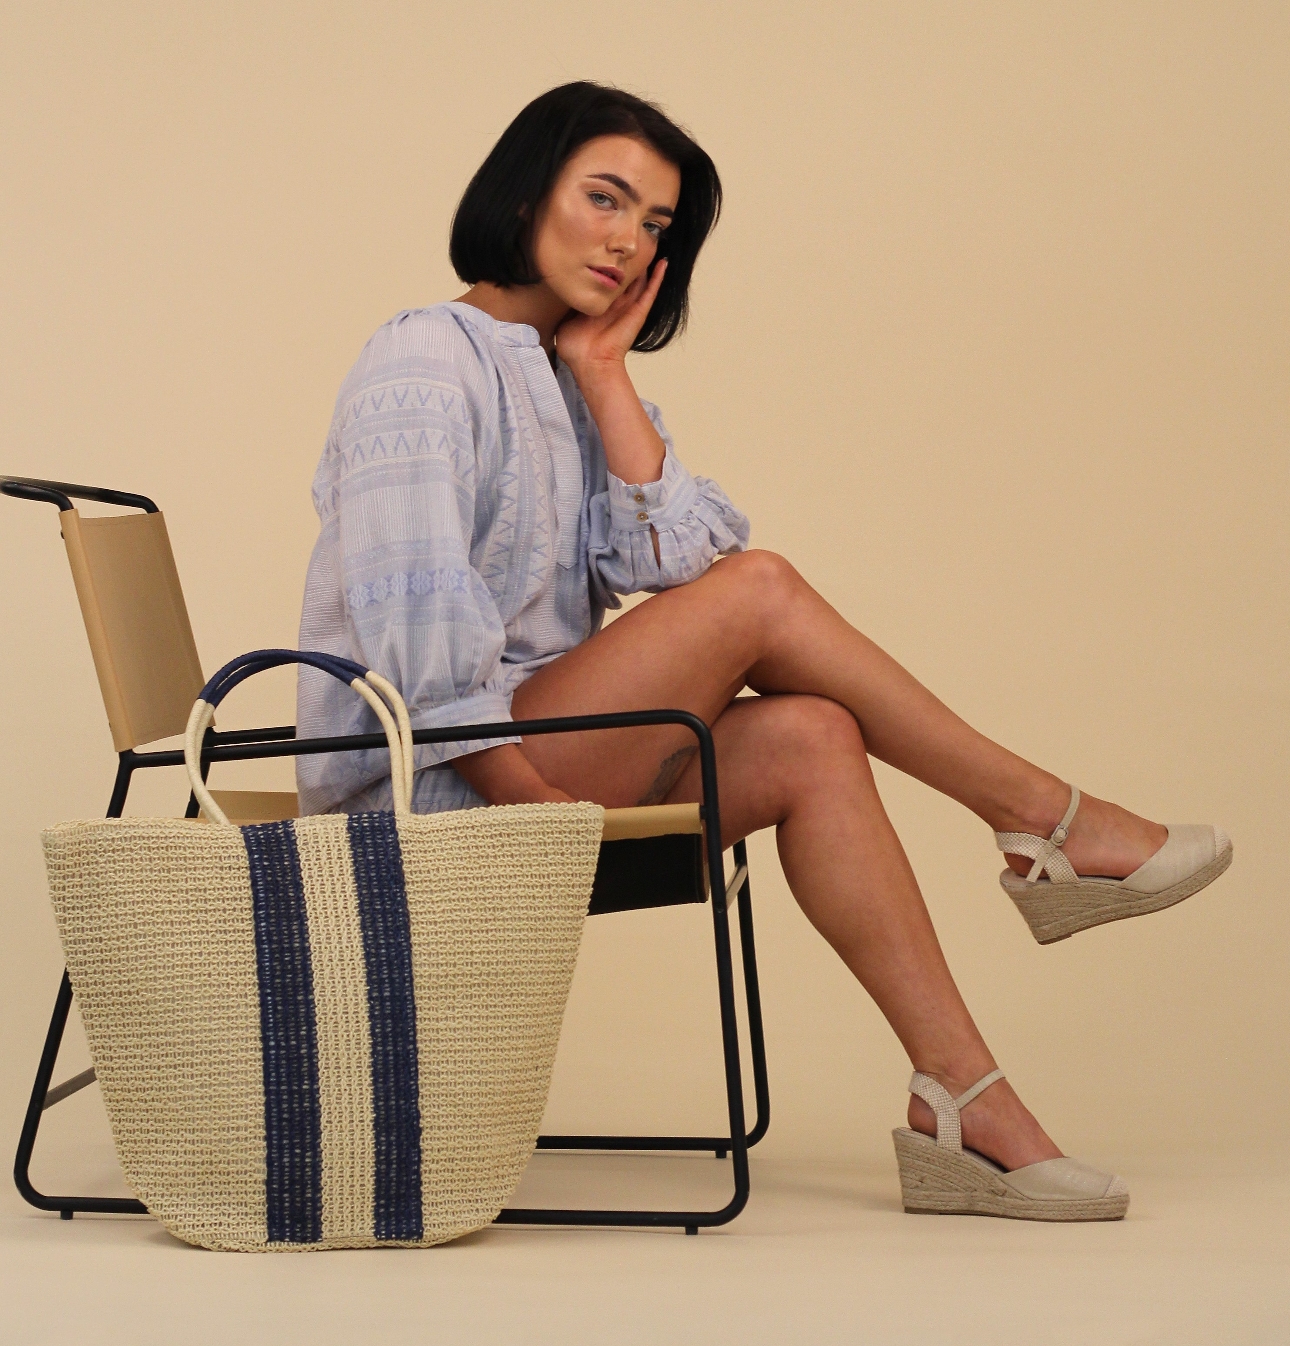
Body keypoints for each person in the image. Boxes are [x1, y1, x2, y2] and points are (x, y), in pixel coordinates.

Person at [296, 81, 1231, 1221]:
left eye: (657, 225)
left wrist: (604, 371)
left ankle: (970, 1108)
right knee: (765, 590)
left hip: (534, 769)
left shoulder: (555, 373)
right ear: (526, 188)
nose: (631, 239)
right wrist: (539, 808)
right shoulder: (423, 359)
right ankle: (1049, 819)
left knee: (811, 733)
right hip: (425, 796)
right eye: (606, 198)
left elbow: (674, 561)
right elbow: (420, 640)